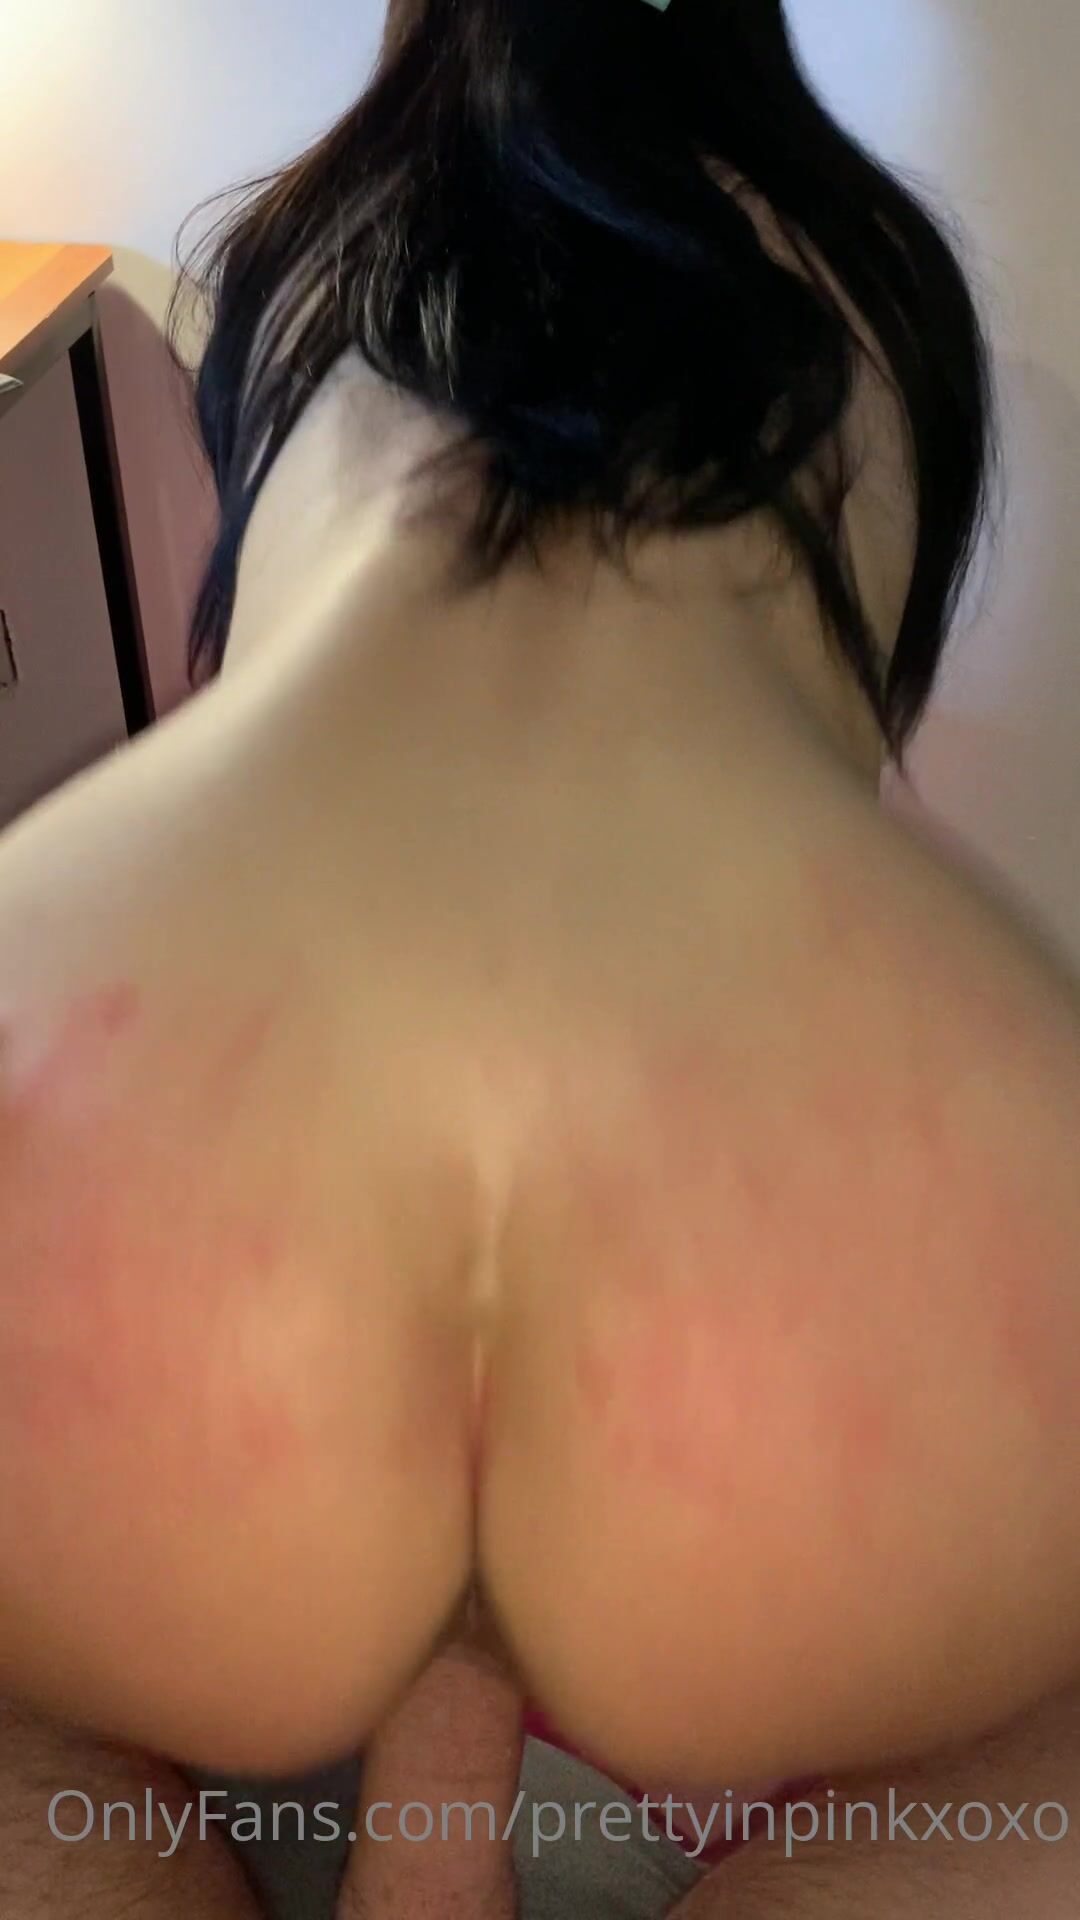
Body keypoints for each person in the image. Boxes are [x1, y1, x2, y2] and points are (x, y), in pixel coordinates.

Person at [1, 0, 1079, 1912]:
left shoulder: (304, 250)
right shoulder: (868, 278)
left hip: (137, 1147)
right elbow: (838, 750)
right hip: (866, 1225)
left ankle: (390, 1823)